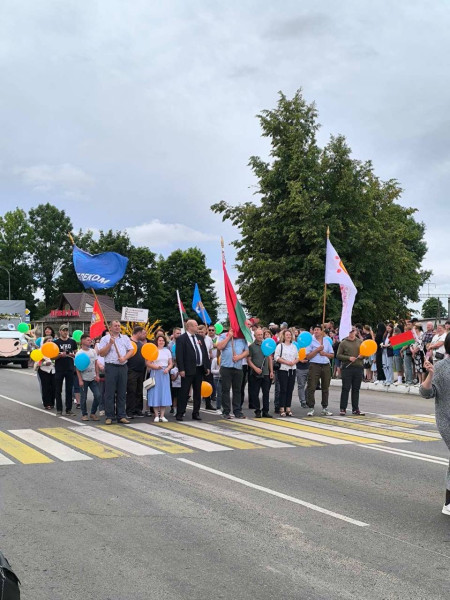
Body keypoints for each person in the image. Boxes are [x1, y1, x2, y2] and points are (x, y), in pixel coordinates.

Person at [420, 336, 450, 516]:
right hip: (447, 419)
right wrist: (430, 375)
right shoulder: (440, 367)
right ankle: (448, 501)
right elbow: (426, 393)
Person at [98, 320, 134, 425]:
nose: (118, 327)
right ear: (110, 327)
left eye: (119, 325)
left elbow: (131, 350)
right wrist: (110, 344)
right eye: (115, 326)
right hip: (111, 366)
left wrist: (124, 358)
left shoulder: (125, 338)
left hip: (123, 367)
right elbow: (101, 353)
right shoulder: (105, 339)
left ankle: (121, 415)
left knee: (122, 392)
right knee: (109, 392)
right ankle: (109, 416)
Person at [175, 319, 211, 421]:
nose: (197, 327)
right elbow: (179, 355)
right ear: (189, 327)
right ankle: (180, 413)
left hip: (199, 369)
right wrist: (181, 369)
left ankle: (196, 412)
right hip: (187, 369)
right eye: (195, 325)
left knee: (197, 392)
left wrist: (207, 366)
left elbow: (204, 353)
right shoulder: (182, 339)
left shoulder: (199, 337)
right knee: (184, 392)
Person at [216, 326, 249, 419]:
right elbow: (219, 346)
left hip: (238, 367)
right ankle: (226, 411)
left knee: (237, 390)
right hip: (226, 367)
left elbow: (246, 351)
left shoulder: (242, 338)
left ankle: (237, 411)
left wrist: (239, 357)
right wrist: (228, 337)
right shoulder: (223, 336)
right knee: (225, 390)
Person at [305, 325, 334, 417]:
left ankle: (325, 407)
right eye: (315, 330)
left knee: (325, 387)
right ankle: (311, 407)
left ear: (322, 331)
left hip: (325, 365)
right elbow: (308, 356)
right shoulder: (310, 341)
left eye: (318, 330)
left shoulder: (326, 341)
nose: (316, 331)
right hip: (314, 365)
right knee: (312, 386)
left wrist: (324, 353)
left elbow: (332, 355)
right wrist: (317, 350)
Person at [337, 327, 364, 416]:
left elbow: (365, 353)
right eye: (349, 331)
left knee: (356, 389)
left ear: (355, 332)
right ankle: (343, 408)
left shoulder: (360, 342)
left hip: (358, 367)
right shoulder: (343, 343)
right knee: (346, 388)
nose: (351, 333)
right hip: (347, 368)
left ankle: (355, 408)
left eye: (353, 331)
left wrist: (362, 356)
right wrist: (348, 358)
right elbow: (338, 355)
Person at [146, 334, 173, 422]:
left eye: (163, 340)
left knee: (164, 393)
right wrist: (156, 367)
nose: (161, 342)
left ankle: (162, 415)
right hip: (155, 373)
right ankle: (156, 415)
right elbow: (148, 363)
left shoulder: (167, 351)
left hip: (164, 374)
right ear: (157, 341)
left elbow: (171, 363)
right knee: (155, 393)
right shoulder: (154, 350)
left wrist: (168, 369)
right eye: (160, 340)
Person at [247, 328, 274, 418]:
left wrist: (271, 371)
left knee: (266, 392)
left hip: (265, 373)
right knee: (255, 393)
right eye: (258, 335)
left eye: (261, 334)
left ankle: (265, 411)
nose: (260, 336)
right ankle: (257, 410)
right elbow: (249, 360)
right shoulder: (251, 347)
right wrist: (255, 368)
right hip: (255, 373)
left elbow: (269, 358)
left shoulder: (266, 345)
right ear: (255, 336)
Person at [76, 334, 101, 421]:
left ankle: (93, 413)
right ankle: (84, 414)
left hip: (93, 378)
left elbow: (96, 363)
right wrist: (80, 380)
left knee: (98, 395)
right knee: (83, 398)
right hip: (84, 379)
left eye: (90, 340)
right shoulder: (79, 353)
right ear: (82, 341)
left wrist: (97, 375)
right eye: (88, 340)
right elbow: (77, 368)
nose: (90, 341)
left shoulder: (93, 351)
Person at [54, 325, 78, 416]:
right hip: (59, 368)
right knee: (58, 390)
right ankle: (59, 409)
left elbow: (77, 354)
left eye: (66, 330)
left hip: (69, 368)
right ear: (60, 331)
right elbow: (52, 357)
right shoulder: (55, 342)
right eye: (63, 330)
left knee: (69, 390)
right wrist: (60, 355)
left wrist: (72, 355)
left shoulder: (72, 341)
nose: (65, 332)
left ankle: (69, 409)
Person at [274, 328, 298, 417]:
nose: (288, 336)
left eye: (289, 335)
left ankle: (288, 407)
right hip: (283, 369)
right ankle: (281, 408)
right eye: (287, 335)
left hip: (292, 370)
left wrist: (293, 362)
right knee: (283, 389)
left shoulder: (294, 346)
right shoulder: (280, 346)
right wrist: (286, 362)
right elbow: (276, 357)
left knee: (290, 389)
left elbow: (298, 357)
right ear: (284, 336)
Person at [126, 326, 147, 419]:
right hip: (131, 370)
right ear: (138, 333)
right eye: (142, 333)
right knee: (131, 391)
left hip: (140, 370)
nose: (144, 335)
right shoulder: (129, 343)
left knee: (139, 391)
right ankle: (129, 411)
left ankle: (138, 409)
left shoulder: (140, 344)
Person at [35, 335, 55, 409]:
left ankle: (52, 402)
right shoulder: (40, 351)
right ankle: (47, 404)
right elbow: (38, 362)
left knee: (54, 387)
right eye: (48, 341)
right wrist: (45, 363)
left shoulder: (54, 350)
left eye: (51, 341)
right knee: (46, 387)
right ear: (44, 342)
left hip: (53, 370)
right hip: (44, 370)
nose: (50, 342)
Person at [211, 349, 222, 414]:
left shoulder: (226, 360)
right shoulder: (215, 359)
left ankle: (224, 407)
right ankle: (218, 407)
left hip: (225, 378)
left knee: (225, 393)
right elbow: (212, 370)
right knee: (219, 393)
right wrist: (219, 371)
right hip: (217, 378)